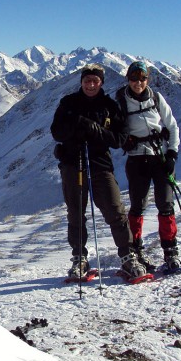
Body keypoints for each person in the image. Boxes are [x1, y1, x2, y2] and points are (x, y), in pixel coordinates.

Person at [51, 64, 142, 279]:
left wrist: (96, 130)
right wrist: (77, 125)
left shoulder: (110, 106)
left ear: (101, 82)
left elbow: (119, 140)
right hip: (73, 163)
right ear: (82, 82)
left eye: (95, 81)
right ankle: (79, 258)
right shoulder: (68, 103)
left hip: (100, 164)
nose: (91, 85)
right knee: (75, 214)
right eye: (87, 81)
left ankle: (128, 256)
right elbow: (56, 132)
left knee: (115, 211)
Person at [116, 61, 181, 273]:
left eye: (143, 78)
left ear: (148, 79)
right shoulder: (120, 101)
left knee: (166, 205)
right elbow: (115, 128)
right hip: (137, 159)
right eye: (134, 78)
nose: (138, 82)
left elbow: (171, 125)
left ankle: (171, 253)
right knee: (137, 207)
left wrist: (172, 152)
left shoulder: (156, 97)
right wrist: (124, 139)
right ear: (128, 78)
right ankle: (136, 252)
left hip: (159, 156)